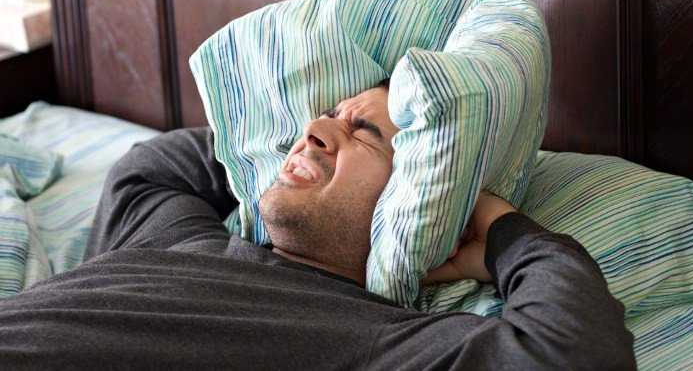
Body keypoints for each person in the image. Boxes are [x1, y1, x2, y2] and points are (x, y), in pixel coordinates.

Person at [0, 84, 636, 370]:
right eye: (325, 114)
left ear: (421, 198)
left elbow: (573, 355)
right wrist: (276, 150)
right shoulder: (176, 234)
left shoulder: (377, 339)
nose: (314, 129)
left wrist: (496, 227)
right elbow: (152, 167)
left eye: (365, 132)